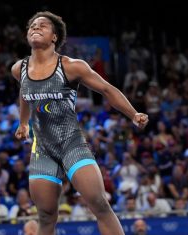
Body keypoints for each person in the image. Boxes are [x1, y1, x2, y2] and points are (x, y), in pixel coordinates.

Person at [12, 11, 148, 235]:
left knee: (99, 204)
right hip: (42, 150)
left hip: (71, 144)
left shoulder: (71, 66)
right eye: (32, 26)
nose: (35, 28)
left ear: (54, 37)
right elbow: (25, 92)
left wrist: (133, 114)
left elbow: (106, 89)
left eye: (42, 26)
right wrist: (23, 123)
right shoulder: (19, 69)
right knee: (45, 216)